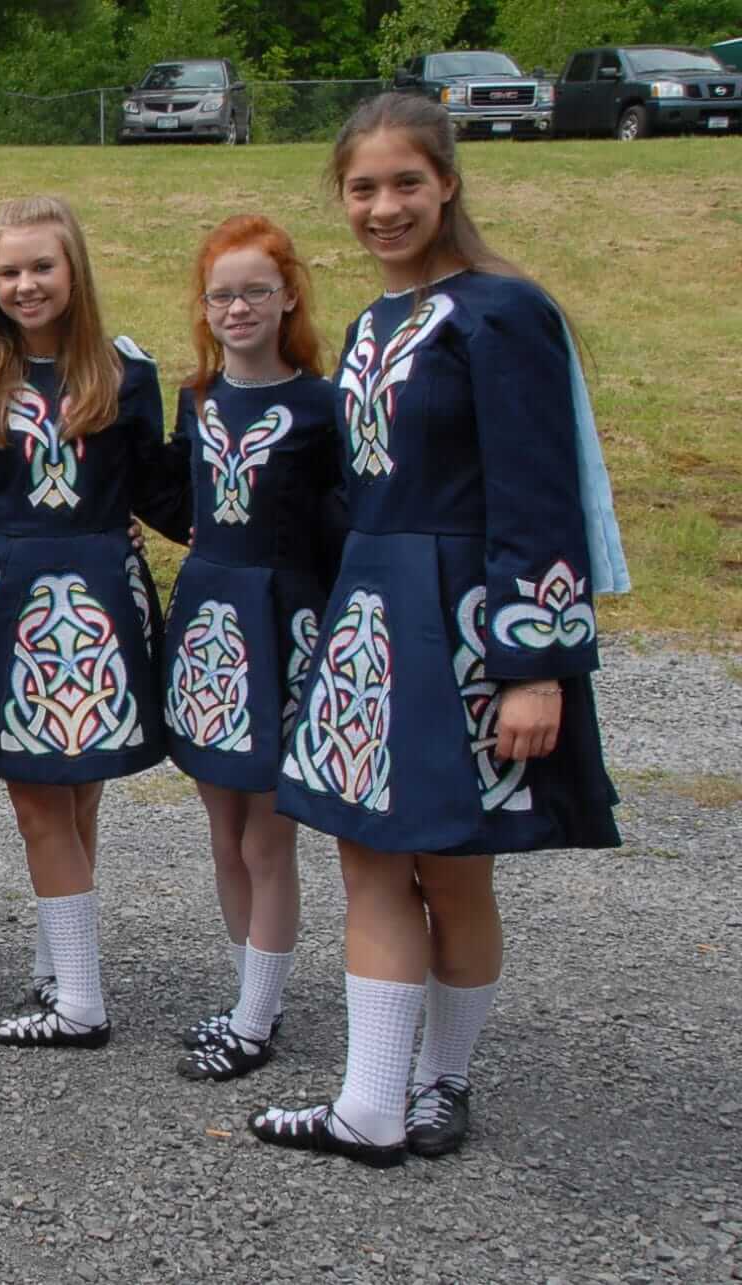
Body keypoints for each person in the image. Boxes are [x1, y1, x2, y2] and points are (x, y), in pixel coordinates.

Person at [249, 93, 626, 1166]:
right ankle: (370, 1104)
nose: (383, 207)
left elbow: (537, 495)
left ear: (449, 182)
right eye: (363, 188)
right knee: (366, 855)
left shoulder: (503, 313)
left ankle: (439, 1083)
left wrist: (537, 665)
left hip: (466, 629)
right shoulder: (371, 324)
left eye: (405, 183)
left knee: (454, 868)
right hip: (371, 621)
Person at [0, 195, 182, 1050]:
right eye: (8, 271)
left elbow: (164, 497)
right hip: (10, 601)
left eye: (42, 266)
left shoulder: (125, 373)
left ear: (75, 270)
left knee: (74, 792)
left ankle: (77, 995)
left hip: (102, 600)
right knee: (41, 797)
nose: (25, 284)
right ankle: (65, 972)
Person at [155, 214, 338, 1082]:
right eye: (221, 294)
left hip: (285, 626)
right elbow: (173, 496)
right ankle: (248, 992)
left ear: (288, 296)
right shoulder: (195, 400)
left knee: (268, 839)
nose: (237, 307)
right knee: (223, 833)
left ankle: (256, 1022)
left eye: (255, 291)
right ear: (204, 305)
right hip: (207, 626)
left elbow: (343, 526)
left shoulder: (323, 405)